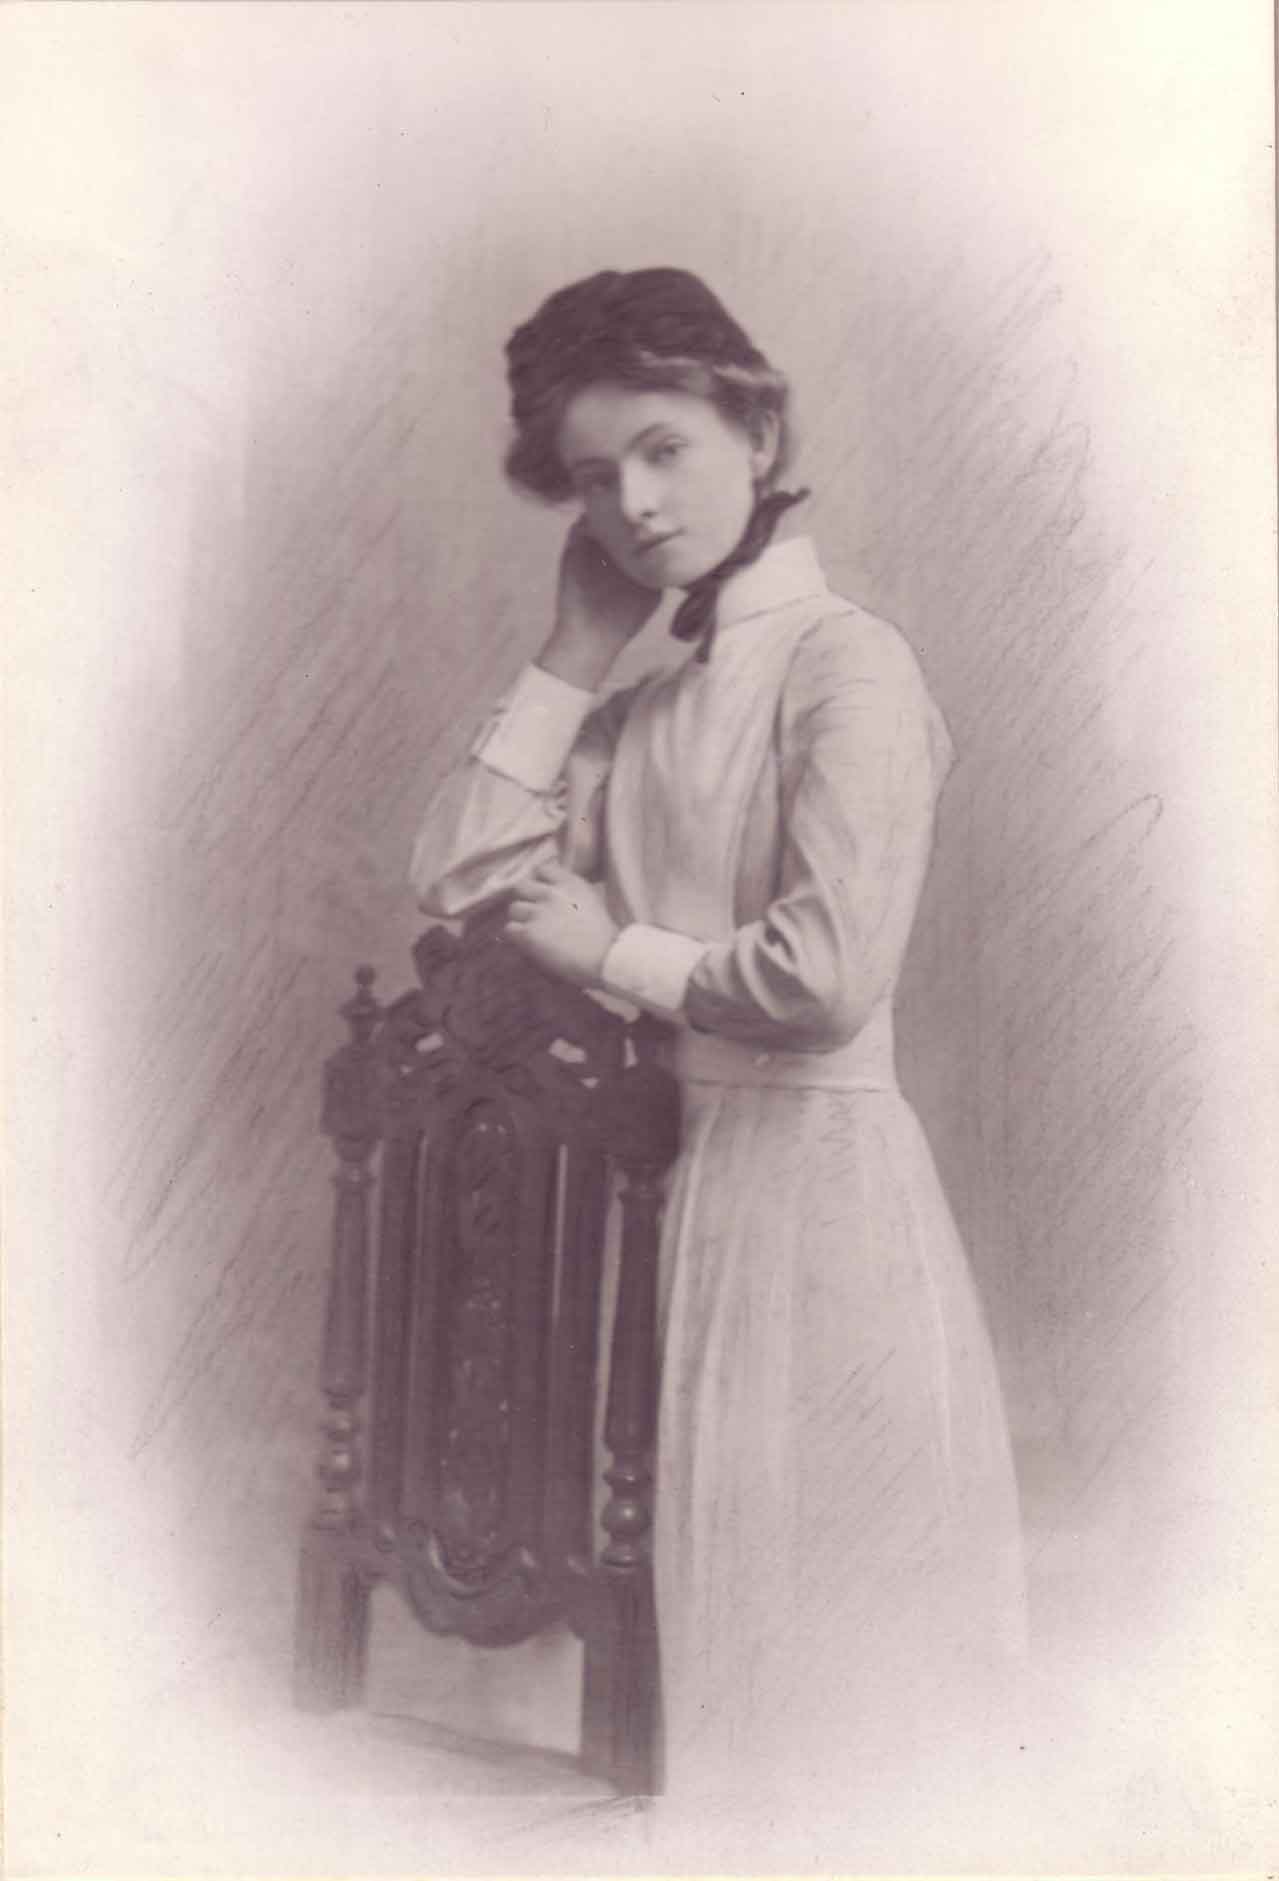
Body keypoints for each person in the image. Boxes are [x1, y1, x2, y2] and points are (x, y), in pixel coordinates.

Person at [410, 268, 1025, 1821]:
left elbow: (827, 977)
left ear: (757, 428)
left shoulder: (848, 663)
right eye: (594, 476)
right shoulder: (648, 709)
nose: (633, 503)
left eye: (665, 448)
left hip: (825, 1194)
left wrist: (610, 950)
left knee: (842, 1647)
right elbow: (460, 876)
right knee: (715, 1629)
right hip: (687, 1189)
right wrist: (571, 654)